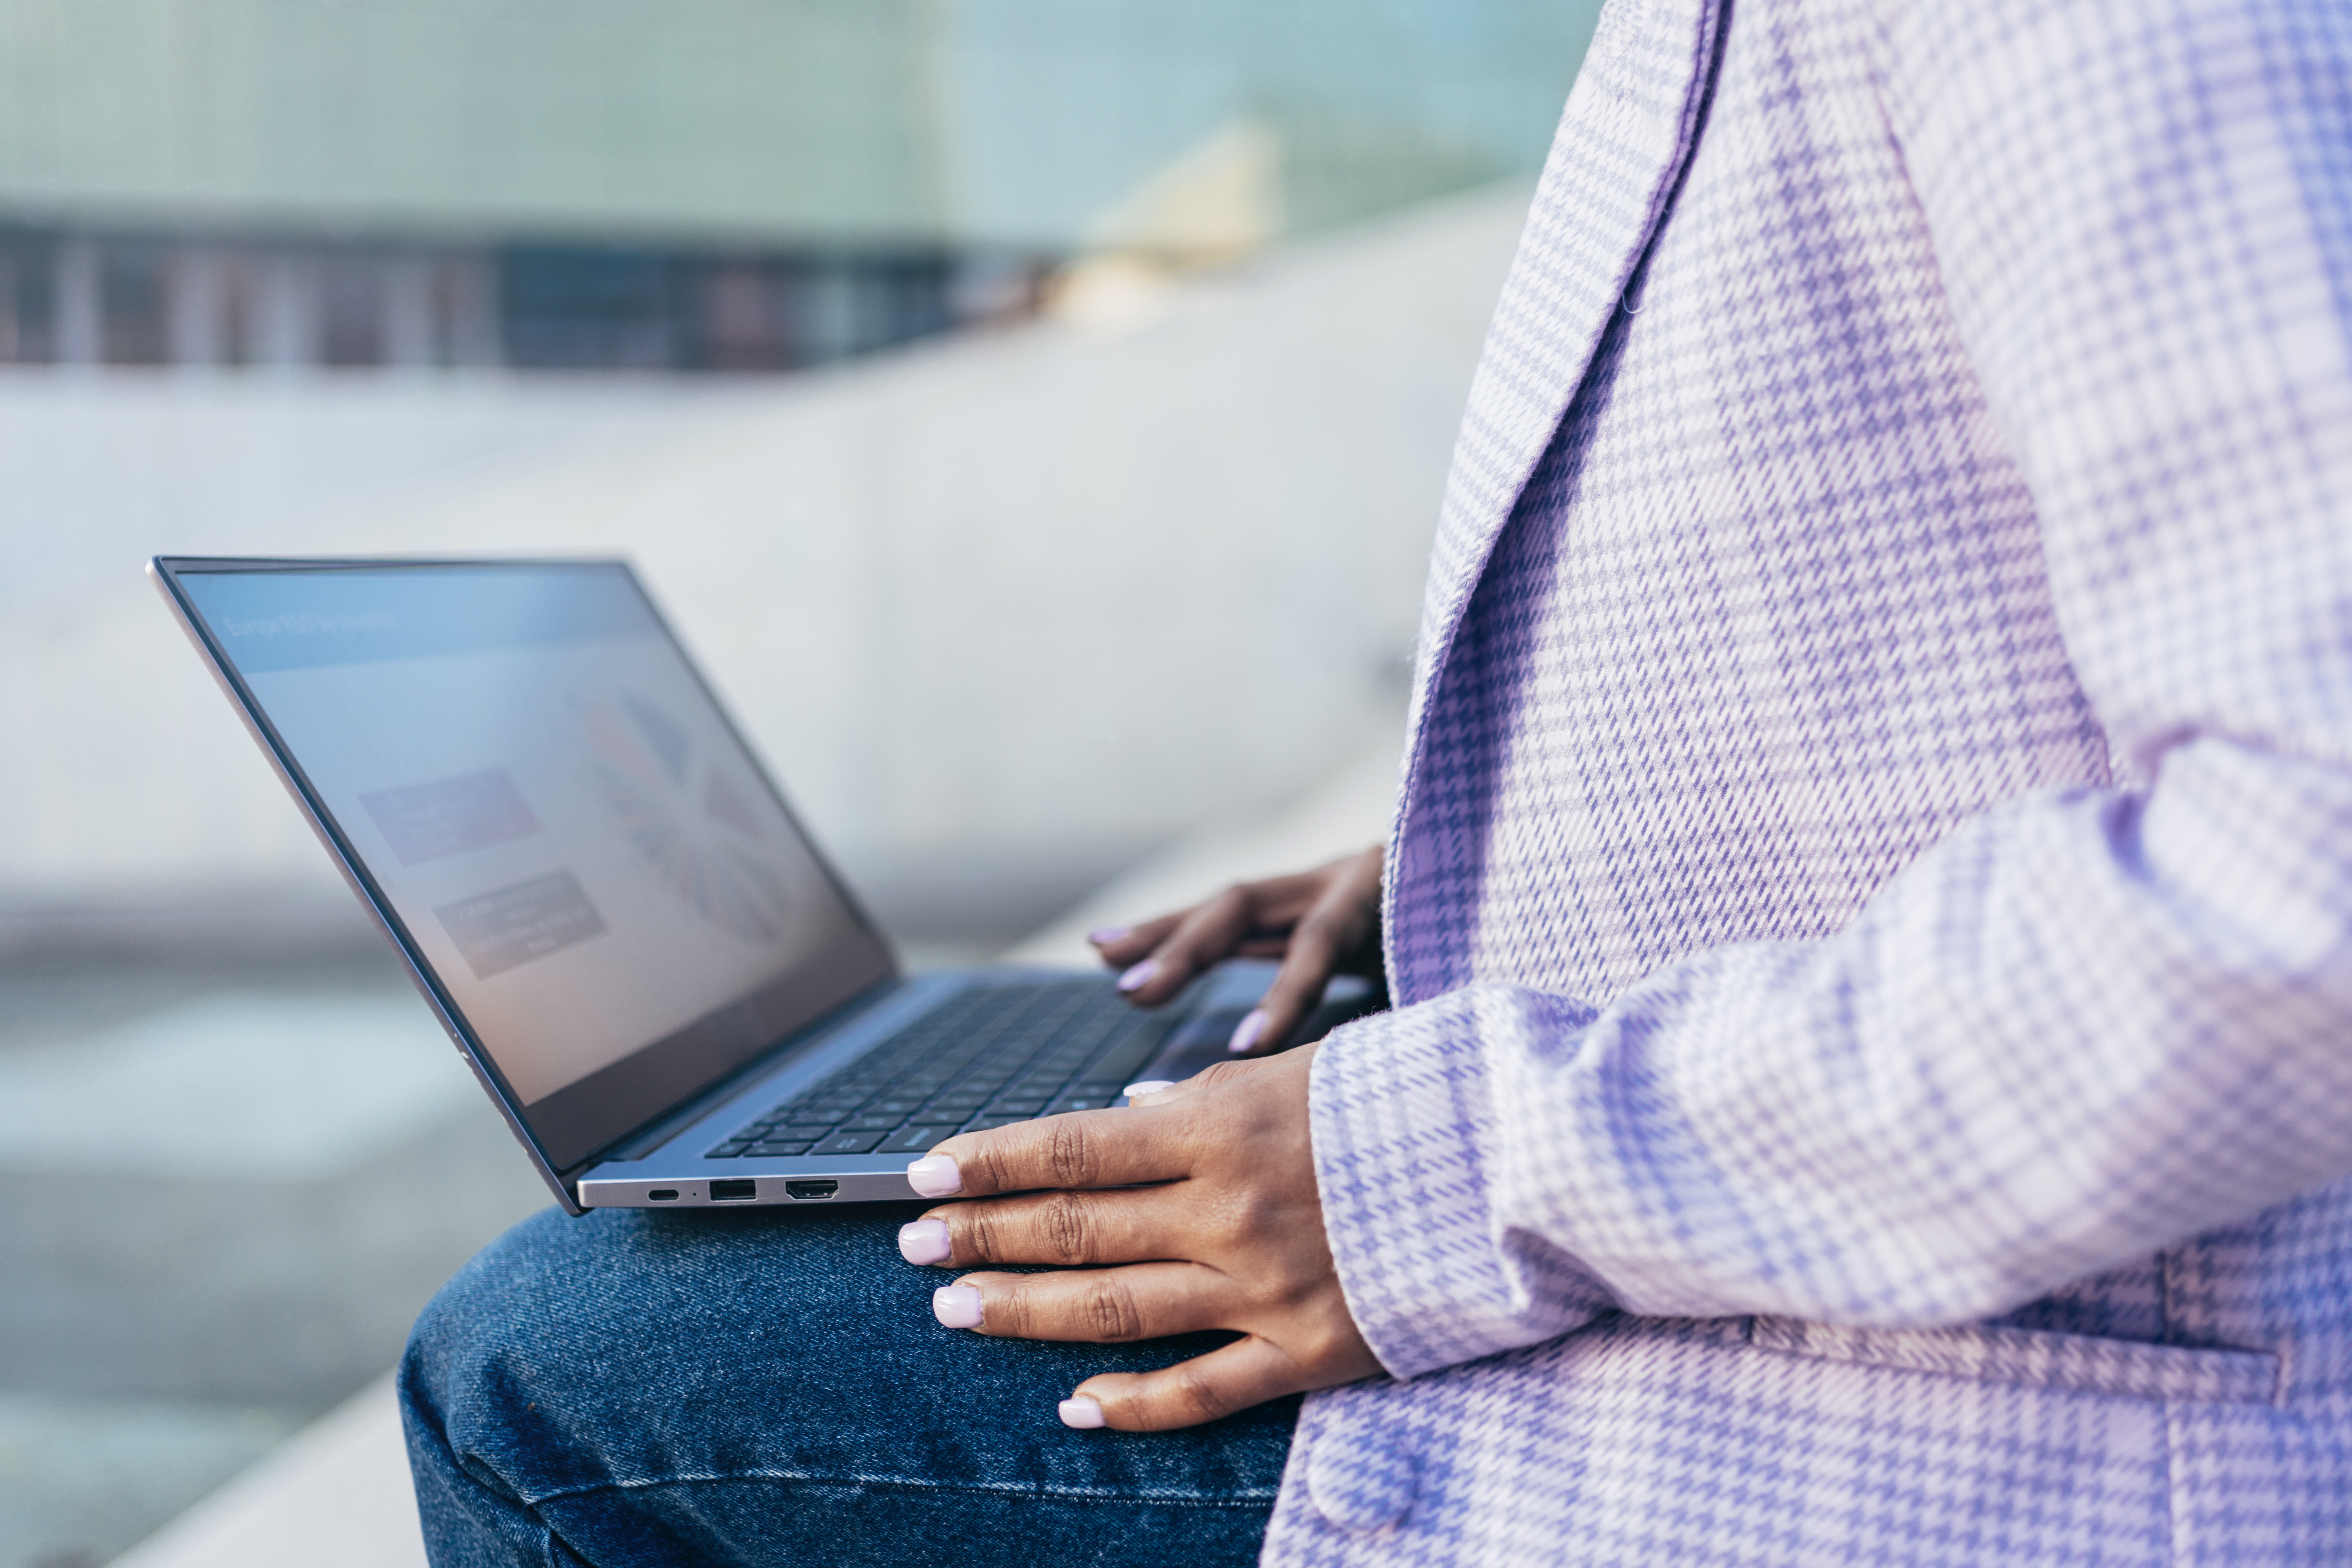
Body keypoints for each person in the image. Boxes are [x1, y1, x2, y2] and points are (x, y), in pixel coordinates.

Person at [401, 0, 2352, 1560]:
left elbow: (2311, 880)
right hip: (1854, 1275)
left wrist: (1435, 1172)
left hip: (2023, 1430)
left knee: (558, 1377)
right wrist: (1492, 859)